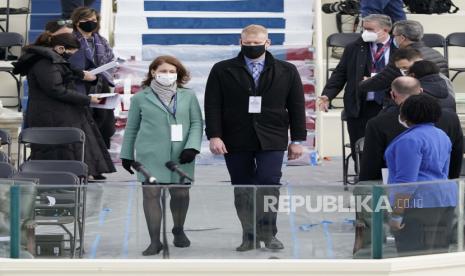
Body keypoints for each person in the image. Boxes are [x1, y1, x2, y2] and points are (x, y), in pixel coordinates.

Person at [204, 24, 306, 251]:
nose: (252, 47)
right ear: (240, 42)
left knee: (269, 184)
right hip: (235, 136)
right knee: (242, 188)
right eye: (247, 43)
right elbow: (212, 105)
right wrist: (215, 135)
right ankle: (248, 234)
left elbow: (296, 106)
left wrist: (297, 140)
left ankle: (269, 234)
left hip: (272, 136)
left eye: (257, 43)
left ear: (267, 43)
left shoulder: (287, 70)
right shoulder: (222, 69)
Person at [120, 55, 203, 256]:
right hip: (149, 154)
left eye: (172, 71)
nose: (168, 75)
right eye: (163, 71)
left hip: (181, 154)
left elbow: (196, 123)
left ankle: (178, 229)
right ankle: (155, 241)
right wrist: (127, 154)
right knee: (151, 194)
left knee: (180, 194)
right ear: (153, 73)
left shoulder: (188, 95)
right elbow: (131, 128)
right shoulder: (141, 97)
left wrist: (192, 147)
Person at [12, 32, 116, 177]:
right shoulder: (45, 62)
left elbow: (63, 72)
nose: (71, 57)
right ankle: (68, 177)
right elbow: (56, 89)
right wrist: (87, 99)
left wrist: (81, 75)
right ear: (61, 48)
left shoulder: (48, 59)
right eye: (71, 53)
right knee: (61, 149)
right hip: (51, 114)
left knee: (67, 148)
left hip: (55, 113)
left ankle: (75, 176)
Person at [386, 94, 457, 256]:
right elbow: (444, 171)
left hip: (418, 205)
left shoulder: (409, 140)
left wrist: (397, 214)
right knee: (436, 255)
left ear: (406, 114)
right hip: (445, 200)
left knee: (412, 255)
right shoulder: (442, 135)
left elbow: (407, 182)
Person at [319, 14, 396, 159]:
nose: (365, 32)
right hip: (359, 105)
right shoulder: (354, 47)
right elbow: (340, 74)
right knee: (360, 150)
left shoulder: (398, 48)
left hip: (388, 104)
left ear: (386, 30)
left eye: (370, 29)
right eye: (363, 28)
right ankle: (362, 177)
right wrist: (327, 95)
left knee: (387, 148)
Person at [360, 76, 462, 182]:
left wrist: (366, 194)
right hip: (441, 191)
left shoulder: (408, 140)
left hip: (414, 195)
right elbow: (450, 167)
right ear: (421, 91)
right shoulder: (443, 134)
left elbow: (405, 183)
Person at [69, 7, 116, 180]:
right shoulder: (71, 39)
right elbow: (68, 63)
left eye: (94, 19)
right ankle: (85, 167)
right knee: (86, 126)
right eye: (87, 19)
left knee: (104, 124)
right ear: (77, 21)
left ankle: (98, 167)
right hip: (80, 87)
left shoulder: (101, 40)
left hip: (101, 85)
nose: (91, 22)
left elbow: (110, 59)